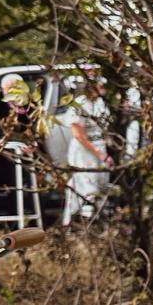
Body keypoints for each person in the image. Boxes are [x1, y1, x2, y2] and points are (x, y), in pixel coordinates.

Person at [58, 75, 113, 223]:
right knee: (87, 186)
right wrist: (99, 154)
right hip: (84, 151)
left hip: (99, 146)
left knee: (102, 185)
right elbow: (78, 135)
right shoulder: (80, 105)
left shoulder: (101, 103)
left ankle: (98, 221)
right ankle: (80, 223)